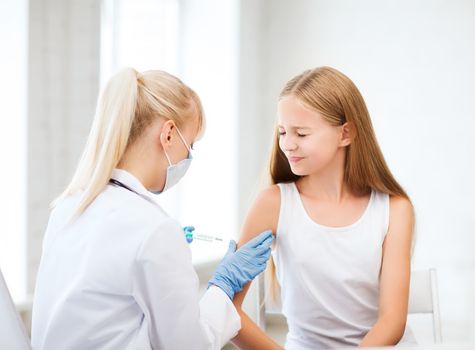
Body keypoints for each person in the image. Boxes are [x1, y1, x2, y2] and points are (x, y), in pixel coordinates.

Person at [30, 68, 274, 350]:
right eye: (190, 144)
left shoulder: (68, 208)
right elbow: (188, 346)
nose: (188, 156)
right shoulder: (154, 229)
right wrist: (223, 285)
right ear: (169, 134)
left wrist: (163, 252)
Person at [231, 67, 415, 349]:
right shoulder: (273, 203)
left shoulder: (395, 209)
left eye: (302, 134)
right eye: (282, 132)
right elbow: (227, 310)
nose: (287, 145)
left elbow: (392, 322)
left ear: (346, 134)